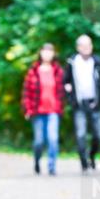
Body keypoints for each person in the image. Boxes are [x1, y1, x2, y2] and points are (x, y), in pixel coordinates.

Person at [63, 34, 100, 174]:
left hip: (95, 103)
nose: (86, 48)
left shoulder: (97, 62)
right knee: (81, 134)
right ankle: (84, 163)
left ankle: (92, 156)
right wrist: (69, 94)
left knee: (99, 135)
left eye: (89, 45)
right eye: (83, 45)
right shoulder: (72, 62)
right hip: (79, 104)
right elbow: (65, 82)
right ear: (78, 48)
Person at [20, 43, 65, 176]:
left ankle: (52, 167)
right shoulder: (33, 71)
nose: (47, 54)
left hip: (53, 111)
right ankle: (37, 161)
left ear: (53, 54)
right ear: (40, 53)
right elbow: (26, 92)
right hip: (37, 111)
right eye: (45, 51)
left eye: (50, 51)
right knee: (39, 141)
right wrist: (27, 109)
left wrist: (62, 105)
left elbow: (62, 91)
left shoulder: (58, 71)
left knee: (53, 139)